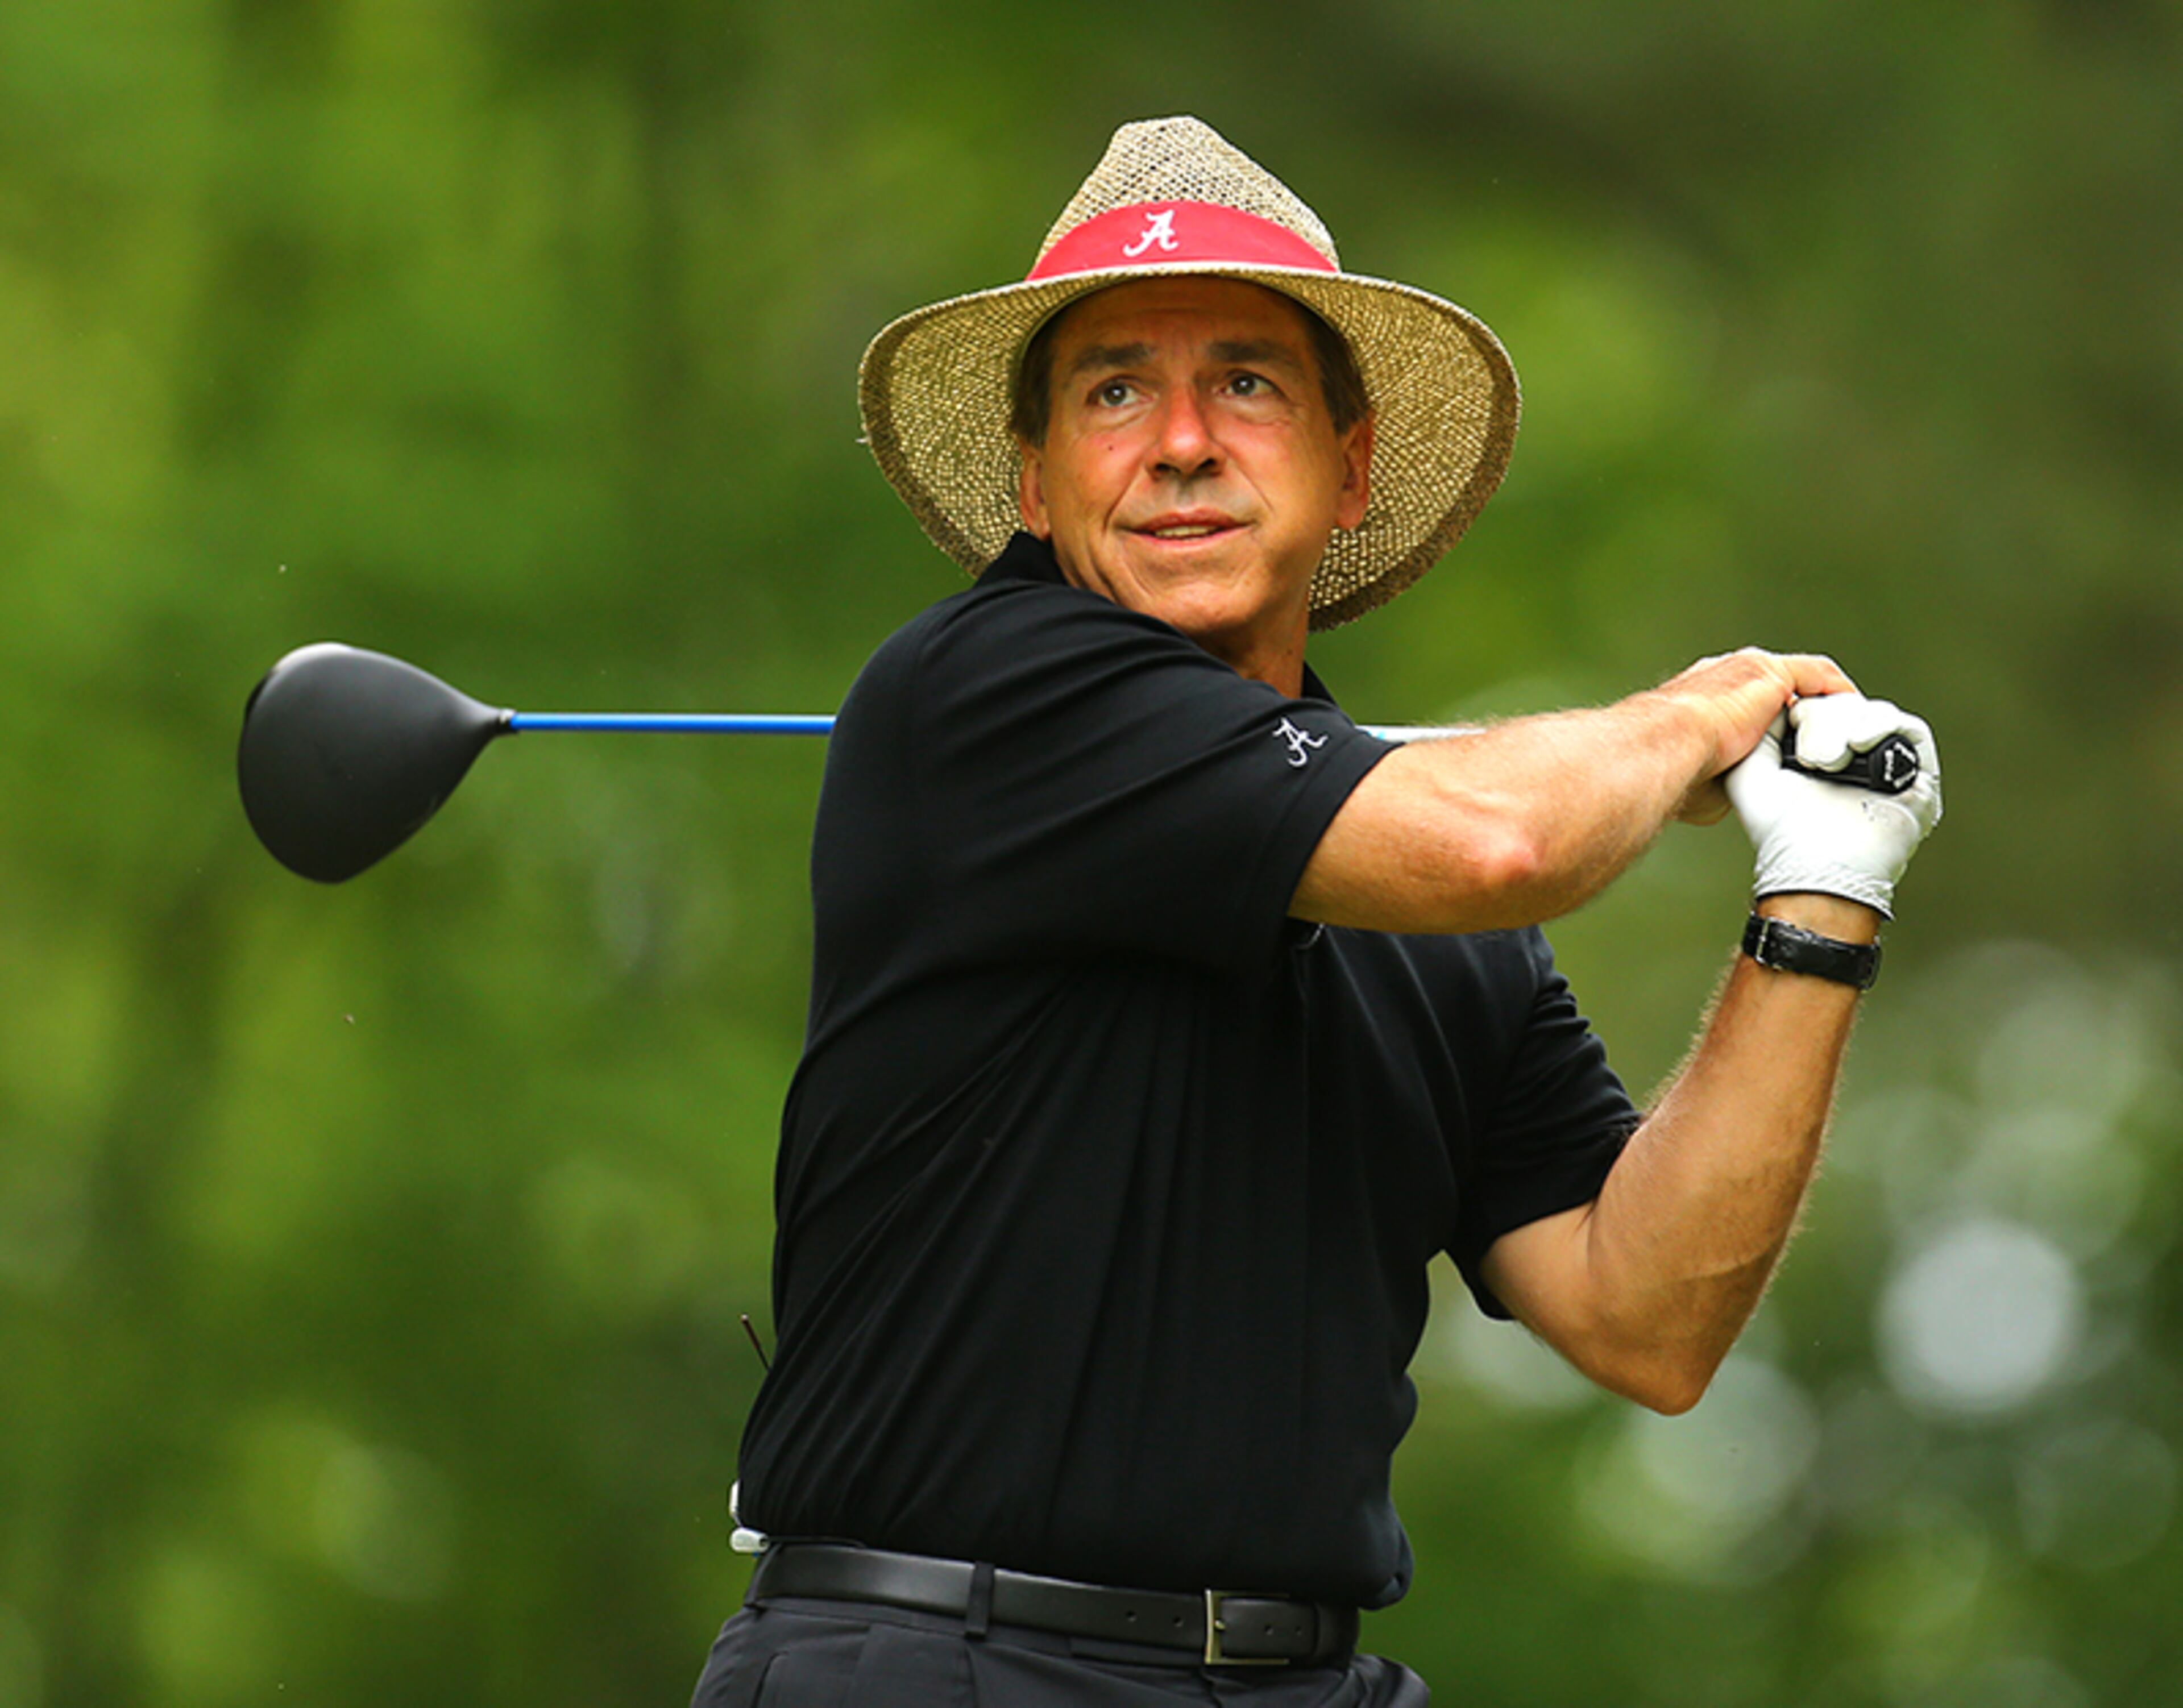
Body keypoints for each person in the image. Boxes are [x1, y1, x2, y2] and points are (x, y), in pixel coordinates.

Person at [688, 117, 1941, 1705]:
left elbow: (1647, 1318)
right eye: (1115, 389)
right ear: (1036, 478)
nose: (1185, 440)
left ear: (1351, 470)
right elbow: (1498, 839)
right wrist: (1698, 715)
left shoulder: (1426, 909)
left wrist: (1822, 892)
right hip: (947, 1660)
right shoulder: (983, 693)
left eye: (1249, 382)